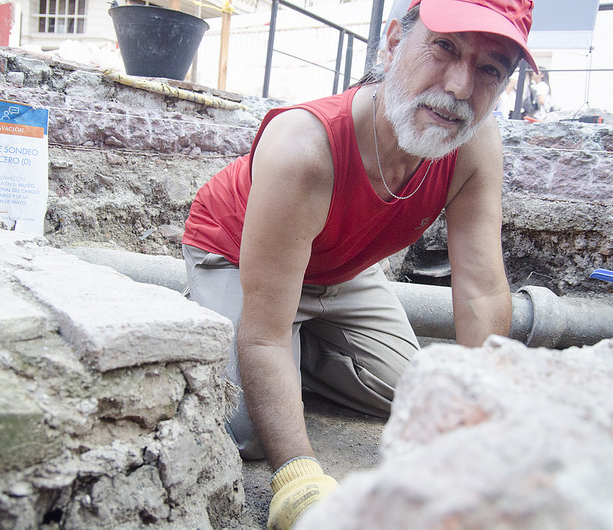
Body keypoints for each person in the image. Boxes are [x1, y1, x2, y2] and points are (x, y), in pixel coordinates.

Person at [181, 0, 537, 527]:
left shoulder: (474, 145)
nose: (460, 87)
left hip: (341, 268)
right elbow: (262, 336)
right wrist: (298, 478)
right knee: (247, 430)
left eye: (489, 68)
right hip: (236, 252)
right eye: (445, 48)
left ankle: (297, 352)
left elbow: (483, 292)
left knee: (422, 401)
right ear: (393, 42)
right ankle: (240, 335)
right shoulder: (304, 145)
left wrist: (486, 433)